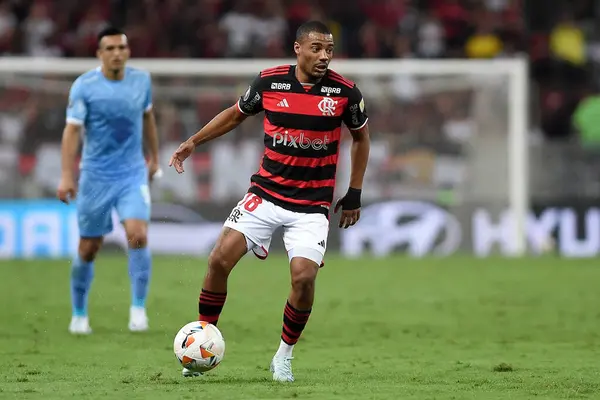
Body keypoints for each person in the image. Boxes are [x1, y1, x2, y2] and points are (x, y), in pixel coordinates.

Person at [169, 20, 370, 382]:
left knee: (304, 278)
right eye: (316, 48)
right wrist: (194, 141)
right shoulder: (269, 82)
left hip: (311, 205)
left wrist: (354, 192)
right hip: (265, 193)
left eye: (329, 50)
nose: (324, 56)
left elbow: (361, 138)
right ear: (298, 49)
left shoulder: (345, 93)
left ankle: (283, 356)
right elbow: (234, 114)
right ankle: (201, 340)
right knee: (218, 260)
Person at [57, 27, 160, 335]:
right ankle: (79, 313)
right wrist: (66, 174)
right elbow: (72, 131)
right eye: (110, 48)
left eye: (122, 47)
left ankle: (138, 310)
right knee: (89, 248)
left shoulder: (141, 81)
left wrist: (153, 157)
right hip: (95, 176)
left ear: (128, 51)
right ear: (99, 54)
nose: (117, 53)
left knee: (138, 234)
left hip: (131, 172)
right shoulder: (84, 86)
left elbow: (148, 118)